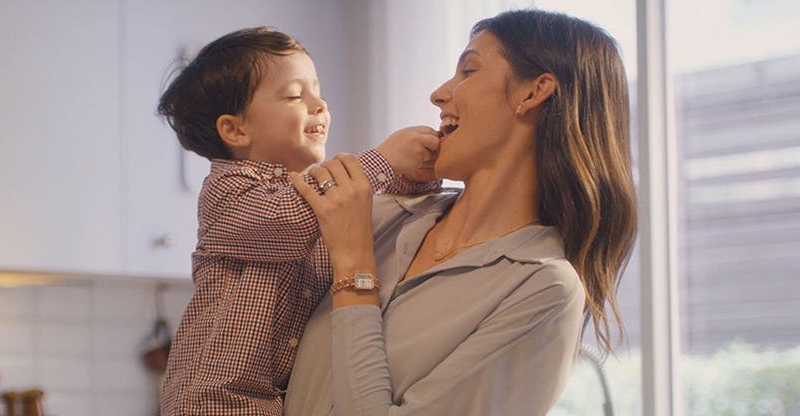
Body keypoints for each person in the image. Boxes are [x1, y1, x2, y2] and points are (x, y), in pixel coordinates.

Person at [285, 9, 637, 415]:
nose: (439, 93)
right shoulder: (386, 217)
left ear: (532, 92)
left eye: (468, 71)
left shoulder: (543, 288)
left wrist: (354, 266)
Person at [156, 27, 440, 416]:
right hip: (212, 399)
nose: (318, 104)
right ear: (235, 129)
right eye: (294, 95)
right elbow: (290, 221)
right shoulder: (227, 191)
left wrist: (416, 175)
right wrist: (385, 160)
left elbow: (375, 213)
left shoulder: (316, 190)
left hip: (275, 402)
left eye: (317, 90)